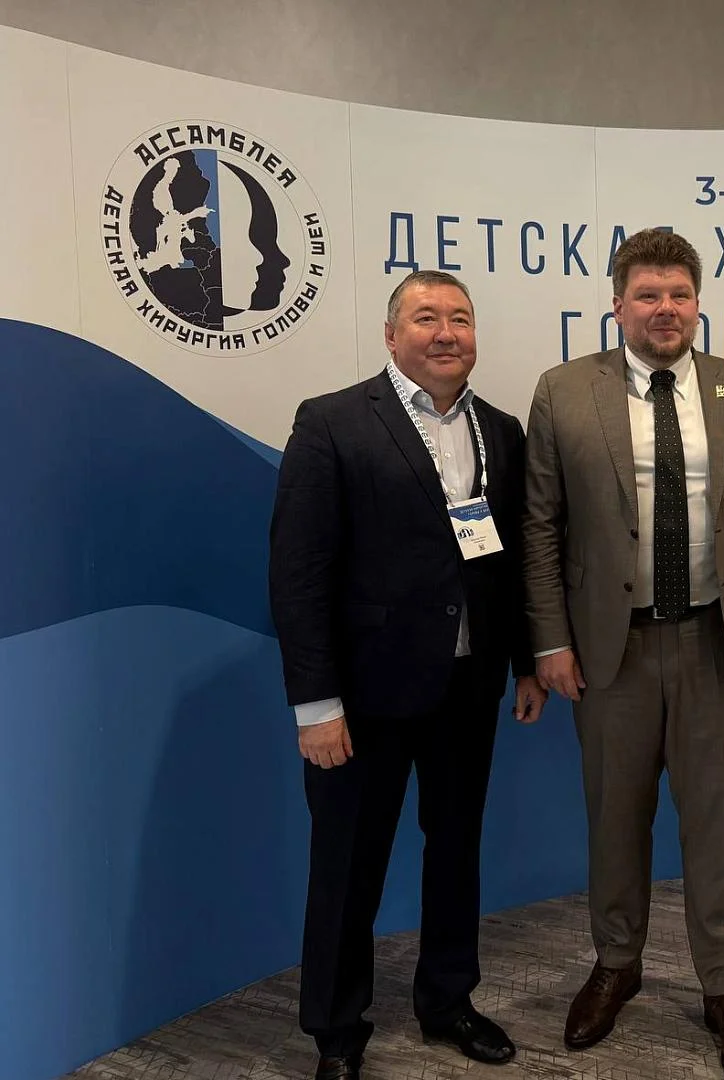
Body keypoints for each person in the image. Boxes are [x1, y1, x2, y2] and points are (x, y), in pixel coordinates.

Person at [523, 229, 724, 1080]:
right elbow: (540, 525)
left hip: (717, 643)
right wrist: (549, 639)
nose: (665, 309)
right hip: (612, 651)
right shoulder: (565, 391)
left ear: (698, 304)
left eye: (679, 294)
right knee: (615, 820)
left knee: (717, 829)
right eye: (647, 295)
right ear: (618, 305)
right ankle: (617, 964)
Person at [269, 269, 546, 1080]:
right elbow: (298, 575)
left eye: (460, 317)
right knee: (348, 864)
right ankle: (336, 1029)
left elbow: (511, 562)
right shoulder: (331, 422)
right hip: (364, 697)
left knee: (456, 851)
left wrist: (526, 661)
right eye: (426, 317)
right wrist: (316, 705)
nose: (446, 332)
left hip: (468, 688)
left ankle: (448, 1000)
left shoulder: (500, 430)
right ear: (392, 335)